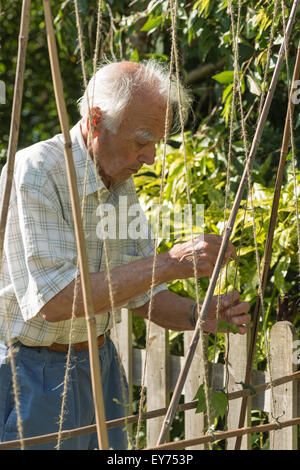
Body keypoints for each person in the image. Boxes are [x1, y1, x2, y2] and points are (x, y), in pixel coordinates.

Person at [0, 60, 251, 450]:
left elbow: (141, 293)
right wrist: (170, 263)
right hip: (31, 372)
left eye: (155, 143)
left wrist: (199, 315)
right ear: (96, 120)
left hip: (98, 364)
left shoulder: (116, 180)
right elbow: (55, 300)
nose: (150, 157)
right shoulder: (36, 172)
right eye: (142, 140)